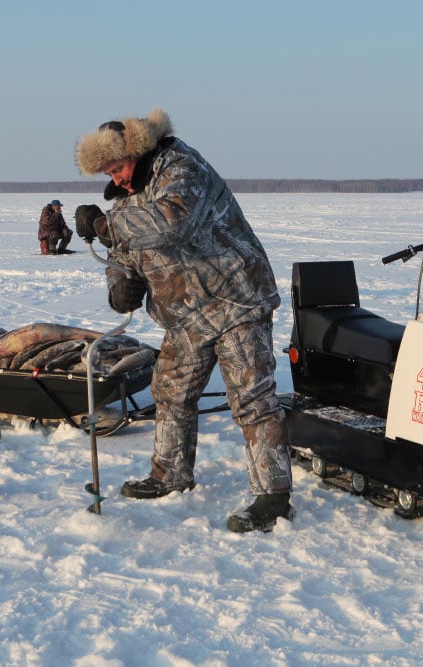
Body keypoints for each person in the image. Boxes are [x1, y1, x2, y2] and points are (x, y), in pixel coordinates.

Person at [74, 108, 293, 533]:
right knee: (170, 391)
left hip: (236, 300)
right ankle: (170, 473)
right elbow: (125, 253)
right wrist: (120, 282)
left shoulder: (180, 166)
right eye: (107, 171)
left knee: (252, 398)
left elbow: (172, 221)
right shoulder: (125, 196)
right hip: (186, 312)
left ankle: (273, 497)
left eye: (117, 167)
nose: (115, 178)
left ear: (136, 151)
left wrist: (106, 225)